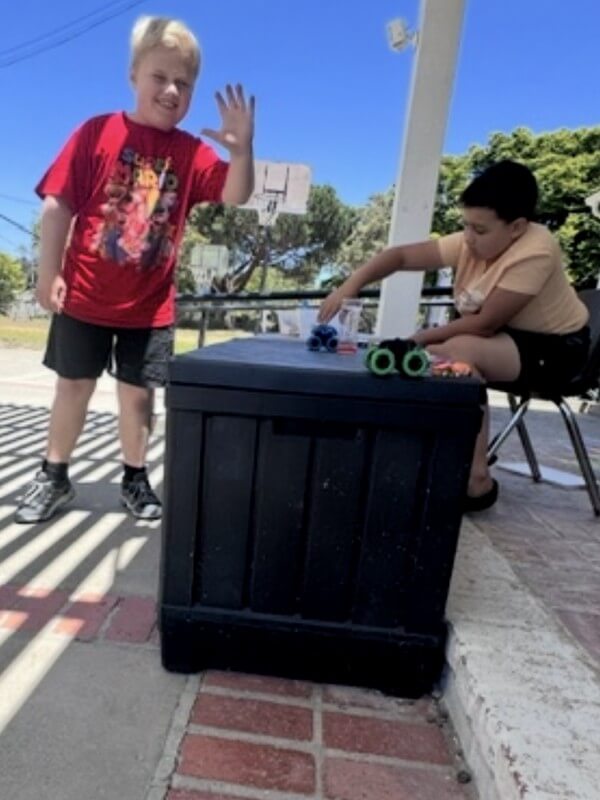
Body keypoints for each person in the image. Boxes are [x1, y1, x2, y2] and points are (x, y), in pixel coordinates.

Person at [15, 15, 255, 524]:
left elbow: (236, 194)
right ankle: (53, 475)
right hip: (82, 296)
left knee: (139, 396)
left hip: (149, 308)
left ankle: (135, 478)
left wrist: (241, 152)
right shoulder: (96, 132)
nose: (171, 89)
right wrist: (46, 273)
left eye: (184, 83)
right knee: (72, 387)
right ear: (133, 75)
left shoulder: (191, 152)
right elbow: (57, 204)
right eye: (160, 76)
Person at [319, 160, 590, 512]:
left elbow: (484, 324)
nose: (468, 237)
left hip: (557, 350)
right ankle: (436, 458)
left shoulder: (536, 250)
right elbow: (399, 256)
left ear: (517, 227)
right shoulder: (472, 240)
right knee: (440, 354)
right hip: (509, 338)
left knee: (456, 353)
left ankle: (476, 480)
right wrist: (349, 286)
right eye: (465, 226)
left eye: (479, 230)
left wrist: (419, 337)